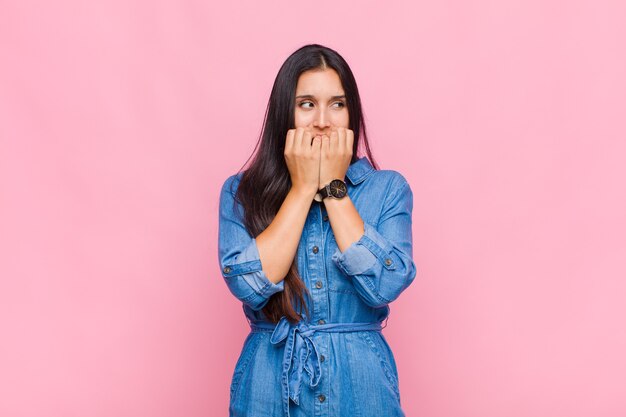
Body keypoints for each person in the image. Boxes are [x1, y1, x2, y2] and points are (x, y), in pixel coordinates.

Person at [218, 43, 417, 417]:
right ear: (285, 114)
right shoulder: (240, 191)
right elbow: (249, 286)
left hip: (361, 390)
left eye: (337, 104)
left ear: (351, 114)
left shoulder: (387, 189)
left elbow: (386, 286)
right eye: (307, 103)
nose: (323, 120)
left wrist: (333, 188)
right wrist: (303, 187)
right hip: (267, 388)